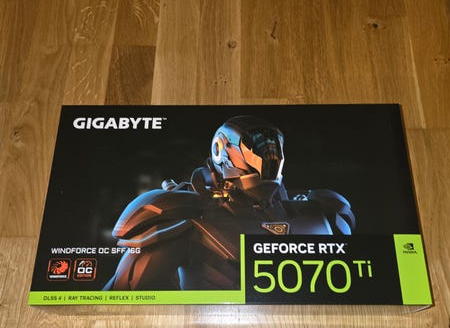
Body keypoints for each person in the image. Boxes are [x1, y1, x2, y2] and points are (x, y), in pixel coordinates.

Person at [103, 115, 355, 291]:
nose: (268, 154)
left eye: (272, 147)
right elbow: (121, 298)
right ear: (221, 150)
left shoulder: (322, 212)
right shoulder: (183, 215)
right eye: (260, 146)